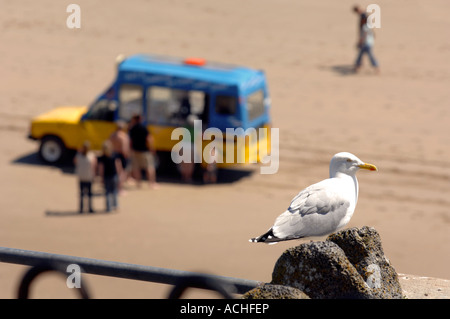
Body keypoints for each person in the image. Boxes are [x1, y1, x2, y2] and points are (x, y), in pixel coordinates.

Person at [128, 114, 158, 189]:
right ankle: (152, 183)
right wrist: (152, 148)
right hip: (144, 151)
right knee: (150, 167)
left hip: (135, 150)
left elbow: (130, 140)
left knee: (136, 168)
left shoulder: (132, 128)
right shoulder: (143, 128)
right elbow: (149, 139)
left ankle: (138, 183)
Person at [98, 141, 123, 212]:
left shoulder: (102, 157)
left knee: (108, 192)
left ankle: (108, 207)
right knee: (114, 191)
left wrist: (101, 177)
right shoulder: (114, 155)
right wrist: (120, 174)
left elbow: (101, 169)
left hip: (106, 176)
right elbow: (118, 165)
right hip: (114, 175)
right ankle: (116, 205)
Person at [74, 141, 97, 213]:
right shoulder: (91, 156)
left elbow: (75, 162)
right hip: (89, 177)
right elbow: (94, 166)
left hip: (81, 177)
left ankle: (81, 209)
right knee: (89, 194)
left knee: (81, 194)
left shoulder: (79, 155)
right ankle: (90, 208)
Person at [109, 120, 130, 192]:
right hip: (121, 155)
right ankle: (120, 188)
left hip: (113, 154)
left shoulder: (112, 135)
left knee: (115, 172)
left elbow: (109, 145)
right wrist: (126, 156)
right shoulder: (124, 136)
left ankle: (114, 187)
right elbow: (124, 148)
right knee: (122, 172)